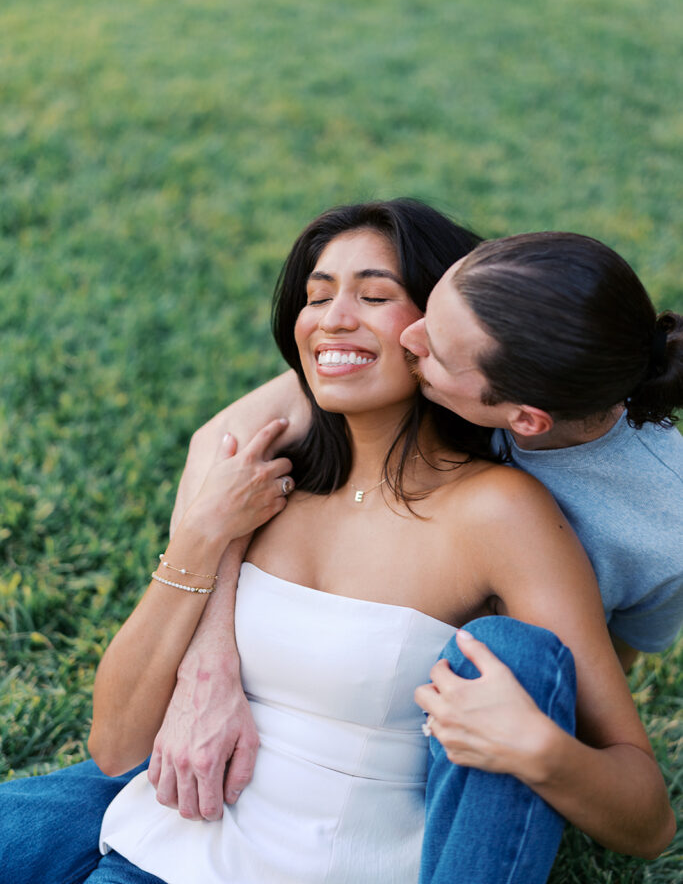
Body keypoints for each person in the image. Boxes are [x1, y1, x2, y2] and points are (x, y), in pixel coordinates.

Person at [0, 201, 674, 884]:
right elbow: (116, 746)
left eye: (375, 295)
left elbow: (644, 816)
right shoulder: (265, 481)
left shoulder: (501, 514)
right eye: (315, 296)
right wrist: (203, 538)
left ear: (434, 332)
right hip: (149, 843)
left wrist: (538, 747)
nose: (331, 317)